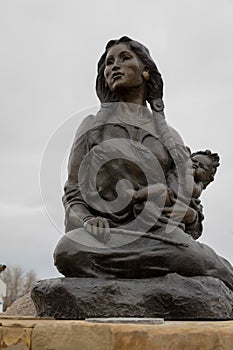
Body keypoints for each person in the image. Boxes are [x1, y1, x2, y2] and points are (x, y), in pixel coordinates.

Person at [54, 36, 233, 290]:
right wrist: (87, 221)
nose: (114, 66)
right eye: (109, 62)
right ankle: (157, 276)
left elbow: (191, 213)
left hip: (159, 235)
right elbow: (73, 194)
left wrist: (189, 216)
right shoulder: (92, 127)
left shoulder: (170, 137)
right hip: (108, 237)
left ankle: (169, 271)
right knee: (68, 249)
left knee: (191, 253)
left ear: (146, 71)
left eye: (125, 58)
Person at [126, 149, 220, 239]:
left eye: (202, 167)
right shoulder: (176, 170)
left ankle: (165, 226)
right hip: (166, 196)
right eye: (193, 161)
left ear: (207, 179)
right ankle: (136, 196)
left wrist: (189, 174)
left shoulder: (197, 185)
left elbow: (189, 189)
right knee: (160, 188)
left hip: (176, 208)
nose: (195, 165)